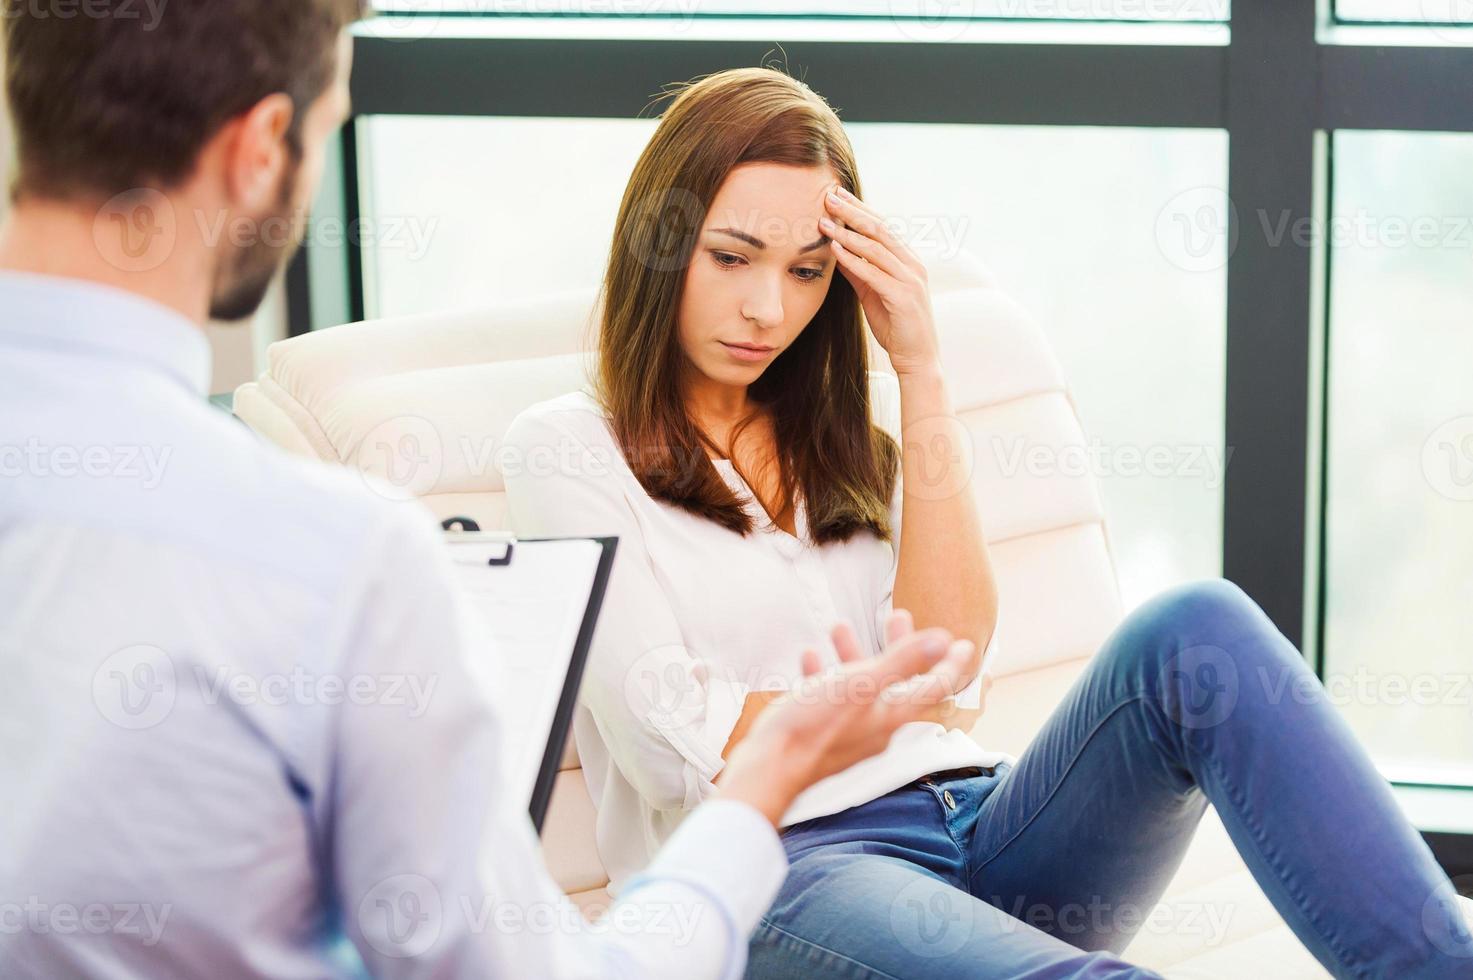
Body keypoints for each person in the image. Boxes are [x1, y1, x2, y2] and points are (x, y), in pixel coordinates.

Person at [0, 6, 981, 978]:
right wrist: (755, 797)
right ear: (261, 148)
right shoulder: (332, 560)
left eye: (806, 269)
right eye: (331, 125)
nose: (766, 303)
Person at [501, 67, 1473, 978]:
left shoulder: (835, 439)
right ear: (659, 241)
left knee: (1197, 628)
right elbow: (666, 735)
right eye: (732, 256)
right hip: (778, 870)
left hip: (972, 819)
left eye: (807, 271)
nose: (768, 307)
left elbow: (949, 654)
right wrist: (876, 699)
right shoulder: (564, 449)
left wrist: (921, 370)